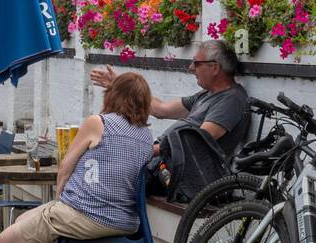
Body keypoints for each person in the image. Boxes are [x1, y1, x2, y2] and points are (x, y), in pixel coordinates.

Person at [0, 73, 155, 243]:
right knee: (29, 221)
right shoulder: (146, 137)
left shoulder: (98, 122)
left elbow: (66, 167)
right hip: (126, 221)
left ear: (112, 95)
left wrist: (59, 200)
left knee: (7, 242)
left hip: (85, 215)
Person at [91, 38, 249, 158]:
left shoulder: (231, 100)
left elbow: (198, 140)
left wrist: (148, 151)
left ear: (214, 68)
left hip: (183, 176)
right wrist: (119, 85)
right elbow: (161, 110)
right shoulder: (207, 94)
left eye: (196, 63)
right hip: (165, 160)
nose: (191, 68)